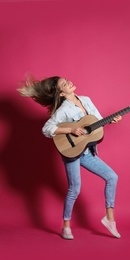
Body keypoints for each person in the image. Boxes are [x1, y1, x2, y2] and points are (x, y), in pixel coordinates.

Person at [17, 75, 122, 240]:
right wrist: (70, 130)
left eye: (67, 80)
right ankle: (66, 226)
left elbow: (97, 120)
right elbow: (46, 129)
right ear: (61, 94)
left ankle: (109, 219)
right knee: (75, 189)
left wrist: (111, 120)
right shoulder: (64, 110)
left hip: (87, 151)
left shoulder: (86, 100)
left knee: (112, 177)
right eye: (64, 84)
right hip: (71, 152)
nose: (69, 82)